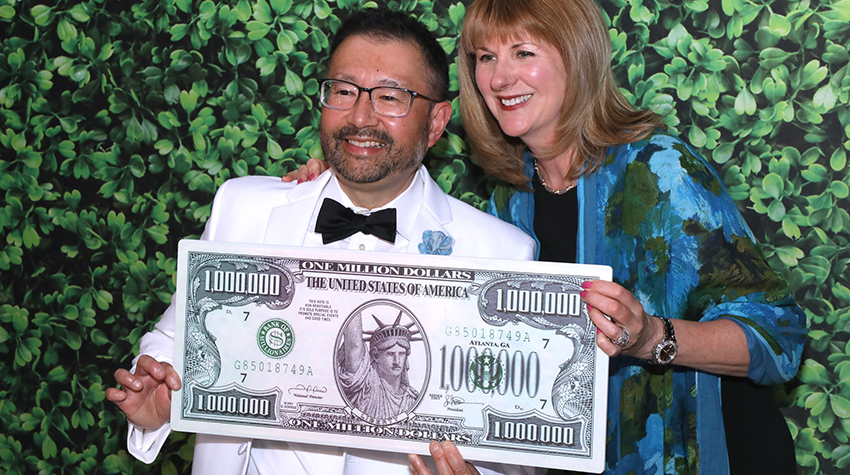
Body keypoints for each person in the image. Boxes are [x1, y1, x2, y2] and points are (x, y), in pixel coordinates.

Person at [285, 1, 807, 474]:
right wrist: (329, 184)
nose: (500, 76)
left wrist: (651, 338)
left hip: (716, 455)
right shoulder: (507, 205)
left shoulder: (660, 172)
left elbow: (779, 338)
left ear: (575, 58)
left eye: (523, 51)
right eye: (485, 57)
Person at [105, 9, 538, 475]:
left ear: (435, 122)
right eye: (344, 91)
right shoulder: (242, 208)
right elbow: (178, 341)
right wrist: (161, 401)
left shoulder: (502, 252)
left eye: (390, 97)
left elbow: (510, 443)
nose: (360, 116)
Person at [338, 310, 421, 421]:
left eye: (401, 354)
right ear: (376, 356)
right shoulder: (366, 387)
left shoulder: (412, 398)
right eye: (390, 354)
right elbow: (354, 345)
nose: (397, 361)